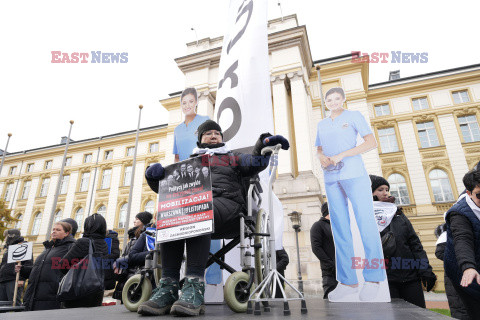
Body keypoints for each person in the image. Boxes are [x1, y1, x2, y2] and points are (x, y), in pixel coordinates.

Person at [138, 120, 289, 316]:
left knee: (199, 209)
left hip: (229, 207)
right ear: (200, 139)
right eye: (208, 133)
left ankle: (194, 286)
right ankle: (168, 286)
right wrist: (153, 176)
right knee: (171, 213)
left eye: (217, 133)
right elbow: (169, 190)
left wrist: (263, 143)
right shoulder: (187, 164)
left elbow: (254, 163)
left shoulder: (232, 157)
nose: (213, 135)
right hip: (196, 207)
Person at [315, 87, 385, 302]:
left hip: (354, 173)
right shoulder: (322, 123)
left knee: (366, 224)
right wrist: (322, 158)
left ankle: (373, 279)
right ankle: (348, 282)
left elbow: (371, 142)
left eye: (337, 98)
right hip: (331, 177)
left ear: (343, 99)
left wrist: (343, 154)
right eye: (329, 99)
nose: (333, 102)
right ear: (325, 102)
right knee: (340, 229)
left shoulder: (354, 116)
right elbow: (318, 148)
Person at [370, 174, 436, 308]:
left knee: (418, 315)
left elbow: (415, 244)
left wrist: (425, 270)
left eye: (387, 189)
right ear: (370, 192)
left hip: (410, 277)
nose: (385, 193)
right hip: (385, 280)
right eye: (380, 190)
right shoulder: (365, 216)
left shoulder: (398, 214)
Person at [444, 168, 480, 319]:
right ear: (468, 193)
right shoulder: (459, 213)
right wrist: (468, 267)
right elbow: (462, 239)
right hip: (465, 271)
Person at [17, 222, 75, 311]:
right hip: (33, 297)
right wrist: (23, 269)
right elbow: (39, 270)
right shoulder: (49, 249)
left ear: (67, 233)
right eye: (53, 229)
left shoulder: (70, 248)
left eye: (58, 230)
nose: (54, 232)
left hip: (51, 298)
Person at [60, 213, 109, 308]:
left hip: (78, 290)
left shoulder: (83, 242)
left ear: (88, 226)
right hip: (96, 292)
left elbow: (63, 265)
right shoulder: (104, 244)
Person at [113, 211, 153, 302]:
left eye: (137, 219)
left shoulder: (144, 235)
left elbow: (132, 256)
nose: (134, 221)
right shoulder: (133, 236)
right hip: (127, 276)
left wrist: (122, 260)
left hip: (136, 275)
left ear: (143, 221)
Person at [435, 223, 469, 319]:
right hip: (456, 275)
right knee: (460, 309)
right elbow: (440, 253)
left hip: (468, 274)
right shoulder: (446, 234)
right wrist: (462, 261)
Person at [172, 87, 210, 163]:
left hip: (201, 167)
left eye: (191, 101)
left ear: (196, 102)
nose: (187, 106)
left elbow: (210, 146)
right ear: (181, 105)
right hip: (183, 171)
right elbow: (177, 157)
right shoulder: (177, 130)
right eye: (184, 103)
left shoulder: (205, 120)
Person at [310, 202, 338, 299]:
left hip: (345, 271)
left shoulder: (339, 226)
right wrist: (330, 264)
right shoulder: (318, 225)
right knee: (331, 302)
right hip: (330, 272)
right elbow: (316, 248)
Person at [0, 229, 32, 305]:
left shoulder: (23, 246)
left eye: (6, 236)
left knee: (15, 304)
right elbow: (4, 264)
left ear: (12, 236)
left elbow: (28, 264)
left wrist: (21, 279)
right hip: (3, 280)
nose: (5, 239)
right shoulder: (8, 249)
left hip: (14, 280)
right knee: (2, 304)